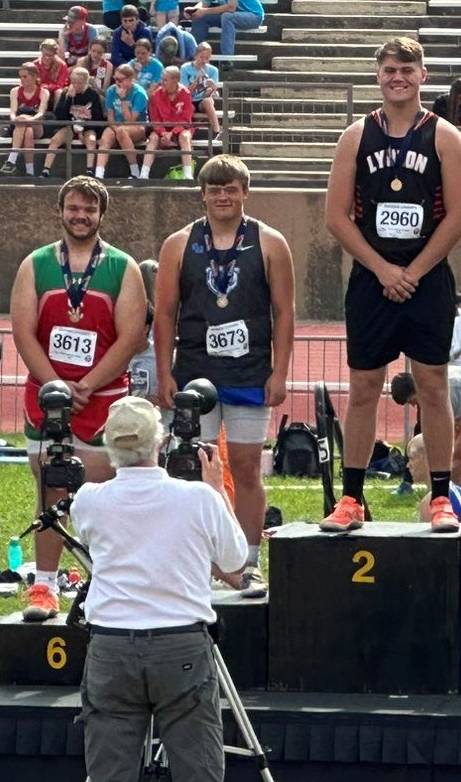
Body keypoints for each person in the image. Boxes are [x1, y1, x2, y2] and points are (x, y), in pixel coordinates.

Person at [320, 37, 461, 533]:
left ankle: (441, 497)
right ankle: (352, 498)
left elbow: (460, 216)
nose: (397, 77)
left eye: (407, 68)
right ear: (378, 76)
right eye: (389, 69)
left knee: (433, 384)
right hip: (372, 279)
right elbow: (336, 217)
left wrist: (414, 271)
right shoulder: (355, 136)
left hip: (427, 279)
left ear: (423, 75)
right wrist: (383, 270)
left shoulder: (444, 136)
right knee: (364, 386)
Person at [74, 397, 245, 782]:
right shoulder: (198, 498)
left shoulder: (89, 501)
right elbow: (234, 560)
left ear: (109, 444)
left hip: (111, 646)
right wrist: (217, 488)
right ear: (161, 442)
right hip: (180, 643)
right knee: (198, 770)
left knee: (108, 773)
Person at [151, 155, 293, 595]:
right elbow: (166, 313)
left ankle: (248, 560)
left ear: (245, 192)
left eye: (230, 188)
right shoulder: (179, 243)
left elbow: (285, 312)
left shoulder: (270, 242)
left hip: (250, 372)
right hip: (195, 374)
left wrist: (280, 373)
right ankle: (201, 560)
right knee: (195, 469)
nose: (222, 196)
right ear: (203, 195)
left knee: (248, 469)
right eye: (214, 189)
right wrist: (163, 373)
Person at [11, 177, 150, 620]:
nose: (80, 216)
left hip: (103, 397)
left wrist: (88, 384)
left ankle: (109, 583)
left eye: (89, 210)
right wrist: (55, 386)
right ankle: (45, 587)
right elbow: (23, 332)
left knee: (107, 496)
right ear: (61, 210)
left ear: (101, 215)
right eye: (73, 208)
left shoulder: (122, 267)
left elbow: (131, 336)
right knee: (50, 491)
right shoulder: (35, 265)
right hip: (46, 398)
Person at [390, 366, 461, 498]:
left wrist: (450, 459)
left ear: (418, 390)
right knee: (455, 471)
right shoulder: (429, 387)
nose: (414, 405)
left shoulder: (447, 390)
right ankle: (459, 510)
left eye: (412, 401)